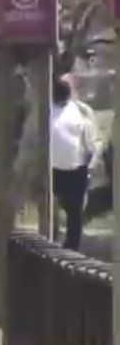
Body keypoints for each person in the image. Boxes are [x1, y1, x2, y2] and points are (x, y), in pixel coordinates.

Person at [50, 73, 98, 249]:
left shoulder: (82, 112)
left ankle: (72, 247)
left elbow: (91, 142)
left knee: (74, 212)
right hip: (51, 170)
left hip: (75, 170)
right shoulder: (45, 109)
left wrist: (90, 166)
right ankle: (49, 243)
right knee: (49, 208)